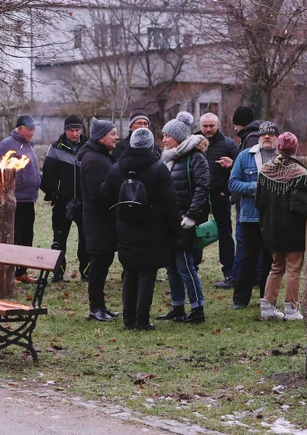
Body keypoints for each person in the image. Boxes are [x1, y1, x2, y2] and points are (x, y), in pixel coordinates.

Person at [99, 127, 179, 331]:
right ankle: (141, 320)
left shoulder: (116, 168)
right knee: (147, 274)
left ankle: (128, 320)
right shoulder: (159, 168)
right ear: (150, 144)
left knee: (129, 273)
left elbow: (104, 198)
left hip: (124, 228)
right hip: (153, 228)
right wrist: (174, 229)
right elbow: (170, 203)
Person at [256, 131, 307, 321]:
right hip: (293, 229)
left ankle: (267, 306)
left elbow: (258, 201)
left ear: (278, 147)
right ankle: (291, 309)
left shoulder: (265, 170)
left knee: (276, 267)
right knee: (293, 269)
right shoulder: (300, 174)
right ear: (295, 148)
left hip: (271, 228)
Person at [158, 112, 210, 324]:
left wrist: (191, 216)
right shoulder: (169, 158)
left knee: (185, 266)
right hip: (169, 222)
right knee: (171, 266)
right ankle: (178, 306)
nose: (164, 141)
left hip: (185, 222)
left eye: (167, 136)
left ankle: (197, 309)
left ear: (178, 137)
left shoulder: (196, 158)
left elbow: (202, 188)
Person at [228, 121, 279, 310]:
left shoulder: (283, 158)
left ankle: (266, 299)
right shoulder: (244, 156)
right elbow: (233, 184)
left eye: (271, 134)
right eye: (263, 134)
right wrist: (256, 188)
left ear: (277, 137)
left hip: (274, 219)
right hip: (250, 217)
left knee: (270, 260)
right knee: (247, 259)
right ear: (258, 137)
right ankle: (240, 299)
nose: (267, 137)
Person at [77, 117, 120, 321]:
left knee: (103, 264)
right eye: (112, 134)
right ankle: (96, 308)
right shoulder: (94, 160)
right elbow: (97, 195)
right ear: (101, 138)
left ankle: (101, 306)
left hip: (103, 222)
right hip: (98, 222)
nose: (117, 137)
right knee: (98, 266)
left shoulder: (101, 156)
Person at [40, 114, 89, 282]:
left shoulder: (89, 146)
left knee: (86, 239)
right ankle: (58, 272)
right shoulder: (55, 148)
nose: (75, 134)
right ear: (65, 131)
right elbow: (47, 175)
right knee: (59, 238)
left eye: (78, 130)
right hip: (63, 202)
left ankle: (86, 271)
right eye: (72, 131)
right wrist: (53, 193)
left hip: (84, 202)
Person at [0, 114, 42, 283]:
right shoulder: (7, 145)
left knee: (27, 237)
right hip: (15, 200)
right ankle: (11, 273)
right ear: (19, 128)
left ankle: (22, 272)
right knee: (15, 236)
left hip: (29, 199)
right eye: (29, 129)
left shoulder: (29, 146)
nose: (32, 132)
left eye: (33, 130)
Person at [199, 112, 238, 287]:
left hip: (219, 195)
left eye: (211, 126)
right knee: (194, 232)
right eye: (205, 126)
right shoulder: (194, 143)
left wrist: (226, 192)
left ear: (218, 125)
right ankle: (192, 268)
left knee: (225, 233)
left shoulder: (228, 144)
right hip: (198, 197)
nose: (208, 129)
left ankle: (229, 271)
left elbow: (238, 169)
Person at [228, 105, 264, 289]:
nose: (234, 129)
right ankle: (254, 274)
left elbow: (248, 168)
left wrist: (233, 165)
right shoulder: (255, 136)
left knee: (244, 239)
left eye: (236, 124)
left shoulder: (250, 139)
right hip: (253, 197)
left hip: (249, 199)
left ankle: (241, 277)